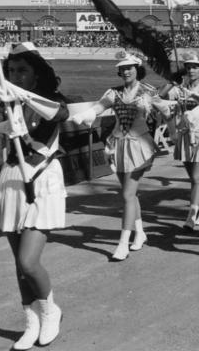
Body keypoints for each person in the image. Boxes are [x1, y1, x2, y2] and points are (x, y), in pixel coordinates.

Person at [0, 42, 68, 349]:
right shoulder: (5, 104)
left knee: (29, 262)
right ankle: (31, 319)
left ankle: (51, 310)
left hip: (42, 180)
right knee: (18, 262)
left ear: (37, 74)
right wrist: (2, 126)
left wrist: (23, 98)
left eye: (22, 70)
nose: (15, 75)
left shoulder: (51, 99)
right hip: (12, 180)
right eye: (11, 71)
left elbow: (59, 114)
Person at [71, 50, 170, 262]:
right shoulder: (113, 93)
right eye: (122, 68)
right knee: (130, 194)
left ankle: (123, 242)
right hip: (118, 145)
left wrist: (181, 113)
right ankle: (140, 232)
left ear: (138, 69)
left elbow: (166, 109)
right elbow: (99, 107)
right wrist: (85, 115)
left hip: (139, 145)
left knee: (126, 195)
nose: (125, 71)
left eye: (129, 68)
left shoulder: (147, 91)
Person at [160, 51, 199, 230]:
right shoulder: (179, 89)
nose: (191, 71)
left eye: (195, 68)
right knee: (194, 178)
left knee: (198, 177)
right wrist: (173, 80)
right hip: (184, 135)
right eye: (189, 67)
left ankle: (191, 215)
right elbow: (160, 97)